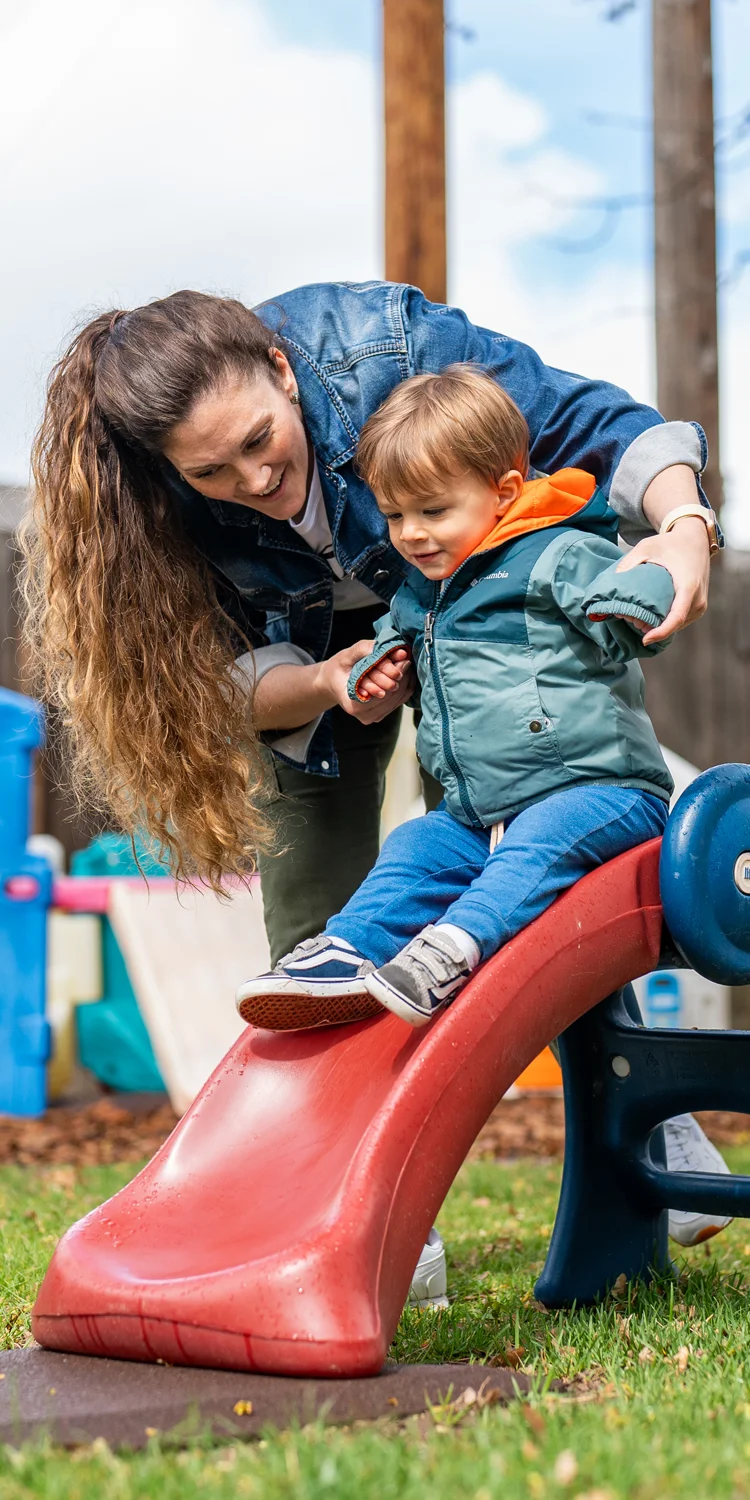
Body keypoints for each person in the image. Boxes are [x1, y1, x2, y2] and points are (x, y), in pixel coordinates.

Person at [23, 283, 726, 1305]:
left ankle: (655, 1132)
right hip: (322, 671)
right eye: (213, 471)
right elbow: (207, 683)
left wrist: (685, 528)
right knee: (317, 935)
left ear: (278, 366)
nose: (256, 478)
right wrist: (324, 683)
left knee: (542, 884)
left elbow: (598, 424)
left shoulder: (384, 350)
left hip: (484, 630)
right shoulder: (152, 504)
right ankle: (367, 1214)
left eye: (263, 440)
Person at [236, 364, 674, 1028]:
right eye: (393, 515)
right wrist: (374, 668)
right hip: (477, 814)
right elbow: (394, 636)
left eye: (433, 511)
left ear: (502, 492)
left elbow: (636, 599)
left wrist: (635, 602)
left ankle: (455, 948)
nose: (411, 533)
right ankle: (343, 950)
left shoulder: (557, 554)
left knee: (538, 847)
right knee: (414, 848)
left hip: (598, 794)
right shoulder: (424, 591)